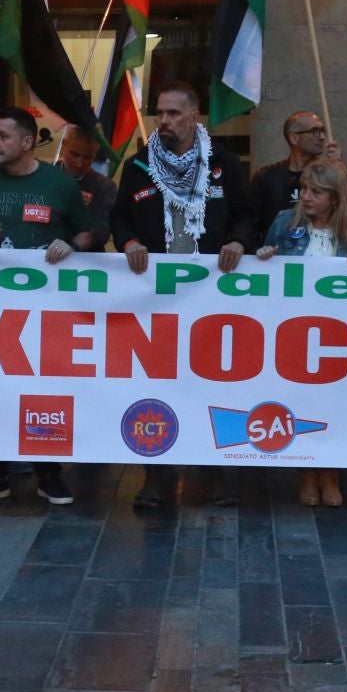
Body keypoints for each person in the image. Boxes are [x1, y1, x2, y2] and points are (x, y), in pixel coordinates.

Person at [111, 82, 253, 509]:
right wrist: (129, 241)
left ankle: (213, 474)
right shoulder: (138, 165)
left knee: (212, 382)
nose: (165, 121)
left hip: (211, 294)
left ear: (195, 118)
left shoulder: (224, 164)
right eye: (160, 113)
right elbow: (118, 216)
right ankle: (157, 476)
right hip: (155, 296)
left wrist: (240, 242)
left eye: (174, 113)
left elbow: (247, 214)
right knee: (158, 385)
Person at [0, 106, 90, 506]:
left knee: (44, 389)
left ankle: (49, 473)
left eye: (3, 136)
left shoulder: (59, 184)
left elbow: (92, 229)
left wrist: (74, 245)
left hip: (50, 310)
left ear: (28, 143)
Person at [259, 159, 347, 507]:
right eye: (304, 189)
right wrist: (264, 256)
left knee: (336, 406)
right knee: (300, 404)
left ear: (335, 198)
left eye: (316, 192)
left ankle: (331, 473)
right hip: (293, 332)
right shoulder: (284, 221)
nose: (306, 197)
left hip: (341, 337)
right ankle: (306, 474)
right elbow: (263, 267)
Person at [248, 110, 347, 243]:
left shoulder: (328, 175)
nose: (322, 136)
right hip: (278, 256)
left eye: (323, 130)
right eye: (315, 131)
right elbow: (251, 222)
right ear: (294, 138)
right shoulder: (266, 177)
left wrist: (341, 168)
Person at [56, 125, 118, 251]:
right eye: (74, 154)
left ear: (96, 151)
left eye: (87, 157)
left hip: (86, 260)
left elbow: (103, 231)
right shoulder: (45, 176)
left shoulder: (105, 186)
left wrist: (73, 246)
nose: (79, 163)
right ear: (63, 145)